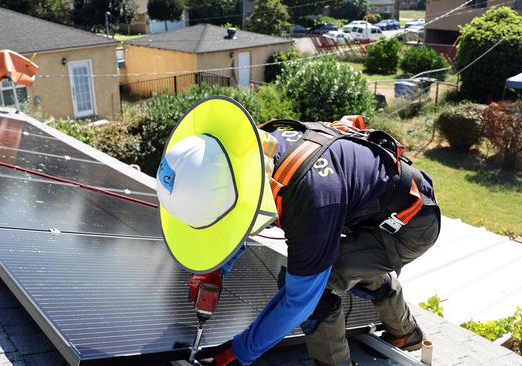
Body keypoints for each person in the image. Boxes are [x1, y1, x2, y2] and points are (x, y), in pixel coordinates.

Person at [156, 97, 441, 366]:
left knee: (318, 287)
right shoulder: (253, 149)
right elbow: (239, 209)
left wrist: (238, 351)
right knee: (350, 263)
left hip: (409, 225)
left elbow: (298, 303)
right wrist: (216, 269)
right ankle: (407, 333)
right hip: (378, 206)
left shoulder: (311, 201)